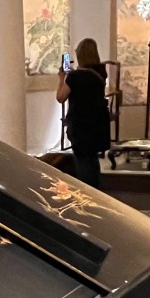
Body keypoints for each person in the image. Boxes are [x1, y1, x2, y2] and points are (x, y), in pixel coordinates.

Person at [55, 38, 111, 188]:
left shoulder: (74, 77)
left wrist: (61, 79)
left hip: (80, 125)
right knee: (93, 161)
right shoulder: (100, 73)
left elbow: (61, 97)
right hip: (96, 123)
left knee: (82, 163)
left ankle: (87, 195)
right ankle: (98, 192)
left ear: (80, 55)